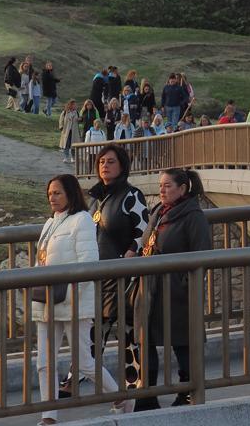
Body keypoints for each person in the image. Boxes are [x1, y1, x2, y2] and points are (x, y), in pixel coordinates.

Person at [33, 174, 120, 423]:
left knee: (82, 361)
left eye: (57, 192)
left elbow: (88, 263)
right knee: (44, 361)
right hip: (48, 299)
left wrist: (71, 296)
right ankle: (49, 415)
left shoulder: (81, 220)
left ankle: (120, 396)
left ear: (70, 194)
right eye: (50, 193)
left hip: (72, 303)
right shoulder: (51, 222)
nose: (52, 197)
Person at [133, 169, 211, 409]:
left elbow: (202, 255)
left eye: (168, 185)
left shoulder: (193, 216)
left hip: (178, 291)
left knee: (183, 342)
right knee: (145, 341)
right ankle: (147, 395)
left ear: (183, 189)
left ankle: (188, 391)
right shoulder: (158, 211)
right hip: (151, 287)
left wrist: (186, 286)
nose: (162, 190)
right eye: (161, 185)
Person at [80, 144, 149, 409]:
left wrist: (131, 253)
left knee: (128, 334)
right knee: (97, 330)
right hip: (99, 276)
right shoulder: (97, 198)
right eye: (101, 162)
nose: (105, 166)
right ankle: (79, 383)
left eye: (110, 161)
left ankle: (132, 390)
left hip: (124, 276)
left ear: (121, 165)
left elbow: (143, 229)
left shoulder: (132, 195)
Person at [57, 100, 79, 164]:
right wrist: (61, 128)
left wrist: (80, 119)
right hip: (66, 131)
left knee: (73, 145)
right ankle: (66, 157)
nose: (75, 106)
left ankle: (73, 157)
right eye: (74, 105)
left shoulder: (76, 112)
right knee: (66, 144)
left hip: (74, 132)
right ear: (71, 105)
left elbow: (80, 119)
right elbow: (61, 120)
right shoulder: (65, 112)